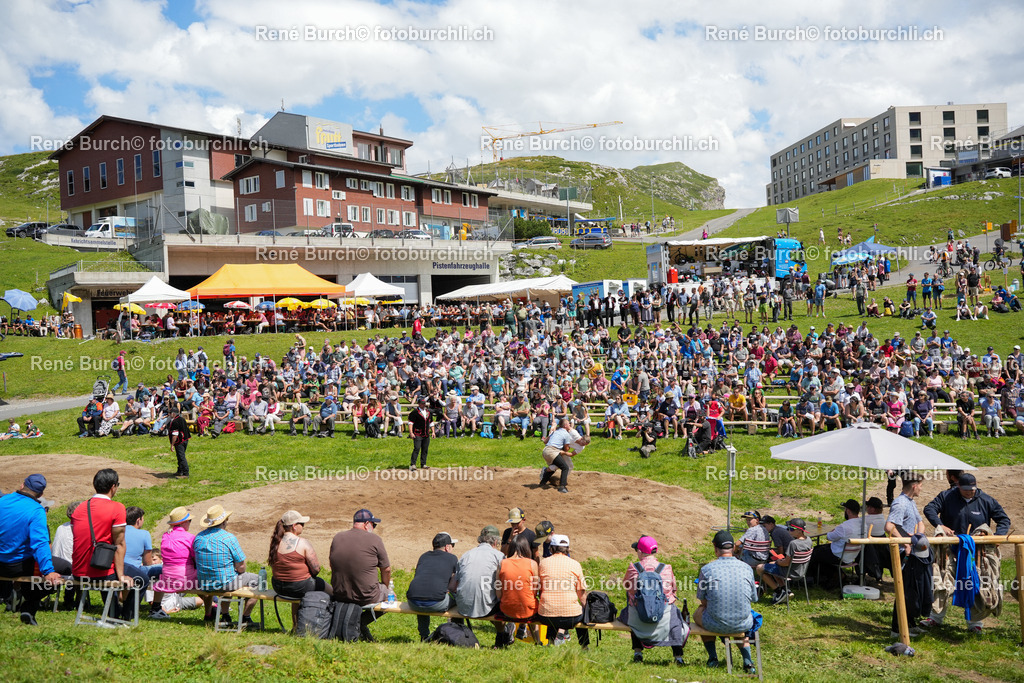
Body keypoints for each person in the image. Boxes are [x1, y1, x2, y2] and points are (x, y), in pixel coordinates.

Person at [921, 472, 1010, 633]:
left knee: (977, 582)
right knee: (942, 579)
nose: (970, 492)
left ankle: (975, 622)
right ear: (959, 486)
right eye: (966, 489)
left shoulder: (986, 500)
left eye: (973, 489)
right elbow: (930, 508)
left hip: (976, 553)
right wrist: (940, 525)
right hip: (950, 549)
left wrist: (997, 536)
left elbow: (1003, 519)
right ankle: (935, 617)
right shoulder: (947, 496)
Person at [0, 475, 62, 625]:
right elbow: (40, 543)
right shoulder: (36, 510)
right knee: (43, 576)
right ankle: (29, 608)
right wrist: (48, 571)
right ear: (40, 495)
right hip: (18, 567)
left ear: (22, 485)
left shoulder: (2, 502)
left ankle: (14, 600)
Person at [694, 530, 757, 674]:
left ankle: (712, 658)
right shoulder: (747, 568)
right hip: (743, 622)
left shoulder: (706, 569)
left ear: (715, 549)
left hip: (715, 623)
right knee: (741, 621)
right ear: (733, 548)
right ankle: (748, 661)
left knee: (699, 613)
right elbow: (754, 598)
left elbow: (702, 599)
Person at [70, 469, 129, 620]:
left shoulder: (79, 508)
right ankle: (126, 616)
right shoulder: (117, 508)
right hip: (101, 572)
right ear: (113, 486)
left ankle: (114, 612)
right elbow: (120, 544)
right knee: (142, 577)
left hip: (78, 571)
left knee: (107, 568)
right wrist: (121, 576)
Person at [621, 536, 686, 666]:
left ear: (640, 551)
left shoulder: (634, 568)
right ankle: (678, 656)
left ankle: (638, 652)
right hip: (664, 620)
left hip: (638, 621)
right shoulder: (666, 568)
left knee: (634, 605)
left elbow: (626, 586)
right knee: (674, 616)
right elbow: (674, 590)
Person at [329, 509, 390, 642]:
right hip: (365, 596)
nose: (373, 528)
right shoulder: (375, 539)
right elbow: (386, 569)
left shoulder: (338, 537)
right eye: (373, 525)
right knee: (390, 597)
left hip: (340, 593)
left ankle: (352, 622)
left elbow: (332, 564)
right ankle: (360, 622)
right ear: (367, 523)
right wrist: (385, 587)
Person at [193, 504, 259, 628]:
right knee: (257, 580)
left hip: (205, 582)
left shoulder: (198, 537)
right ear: (224, 521)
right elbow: (241, 567)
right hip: (224, 582)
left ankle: (225, 615)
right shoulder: (228, 538)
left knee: (226, 578)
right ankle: (245, 617)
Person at [885, 473, 930, 638]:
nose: (921, 488)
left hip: (914, 553)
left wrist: (917, 537)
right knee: (903, 592)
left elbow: (920, 523)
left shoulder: (910, 502)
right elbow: (889, 526)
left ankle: (910, 625)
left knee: (912, 592)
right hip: (904, 555)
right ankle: (897, 630)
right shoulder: (900, 503)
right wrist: (905, 543)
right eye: (921, 485)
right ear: (914, 485)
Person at [269, 509, 330, 627]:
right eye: (302, 524)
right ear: (294, 526)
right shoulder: (303, 543)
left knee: (296, 585)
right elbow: (316, 569)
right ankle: (326, 624)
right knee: (326, 588)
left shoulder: (275, 542)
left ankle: (296, 625)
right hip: (299, 588)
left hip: (278, 587)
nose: (303, 526)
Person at [151, 507, 212, 621]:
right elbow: (196, 557)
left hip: (168, 578)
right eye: (189, 521)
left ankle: (155, 608)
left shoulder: (165, 536)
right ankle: (209, 612)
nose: (190, 523)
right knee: (204, 583)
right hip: (185, 578)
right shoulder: (190, 538)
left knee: (161, 583)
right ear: (184, 522)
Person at [453, 525, 505, 644]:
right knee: (501, 601)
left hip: (463, 606)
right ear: (496, 541)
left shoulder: (466, 554)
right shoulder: (499, 556)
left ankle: (458, 631)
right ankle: (501, 637)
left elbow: (457, 580)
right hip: (486, 608)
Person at [537, 534, 589, 648]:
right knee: (579, 611)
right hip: (571, 617)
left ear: (551, 548)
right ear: (567, 548)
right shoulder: (575, 564)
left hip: (546, 616)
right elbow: (581, 593)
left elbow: (540, 590)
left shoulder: (543, 563)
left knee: (552, 608)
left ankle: (550, 641)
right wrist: (587, 610)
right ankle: (584, 646)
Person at [406, 532, 459, 642]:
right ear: (447, 547)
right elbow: (455, 582)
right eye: (452, 546)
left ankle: (424, 636)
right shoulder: (452, 558)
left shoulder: (423, 556)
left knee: (423, 595)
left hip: (413, 602)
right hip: (437, 604)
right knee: (458, 597)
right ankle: (457, 633)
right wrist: (448, 589)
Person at [496, 533, 541, 646]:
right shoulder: (532, 564)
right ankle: (538, 641)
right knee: (531, 603)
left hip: (507, 610)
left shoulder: (502, 563)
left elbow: (498, 594)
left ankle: (502, 636)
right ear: (526, 548)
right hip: (528, 611)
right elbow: (535, 591)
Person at [809, 499, 867, 585]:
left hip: (839, 555)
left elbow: (829, 537)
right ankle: (835, 574)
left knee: (815, 552)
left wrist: (833, 530)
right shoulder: (864, 525)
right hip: (853, 555)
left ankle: (815, 577)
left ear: (848, 511)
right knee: (820, 550)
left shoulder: (844, 527)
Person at [123, 506, 166, 619]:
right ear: (138, 520)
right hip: (136, 570)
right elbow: (147, 562)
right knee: (164, 569)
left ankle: (122, 600)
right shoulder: (144, 534)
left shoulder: (118, 531)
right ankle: (156, 607)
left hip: (118, 568)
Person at [756, 519, 812, 605]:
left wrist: (777, 562)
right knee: (772, 566)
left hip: (790, 572)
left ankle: (779, 592)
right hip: (801, 571)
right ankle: (785, 589)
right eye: (788, 528)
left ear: (800, 531)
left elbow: (786, 563)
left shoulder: (793, 544)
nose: (789, 530)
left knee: (760, 568)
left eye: (792, 529)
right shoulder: (809, 540)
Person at [409, 396, 433, 471]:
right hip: (418, 433)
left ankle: (423, 463)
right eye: (422, 403)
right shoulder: (415, 412)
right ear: (419, 404)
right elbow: (410, 423)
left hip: (426, 433)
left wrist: (433, 432)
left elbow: (431, 422)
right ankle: (413, 464)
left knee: (425, 449)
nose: (423, 405)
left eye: (424, 403)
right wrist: (411, 433)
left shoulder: (428, 412)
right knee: (417, 448)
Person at [168, 408, 190, 477]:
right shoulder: (182, 419)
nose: (169, 414)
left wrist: (172, 445)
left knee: (181, 457)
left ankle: (186, 473)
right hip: (185, 440)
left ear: (173, 413)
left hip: (180, 441)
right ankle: (180, 470)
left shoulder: (175, 421)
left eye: (170, 413)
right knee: (179, 456)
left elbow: (175, 435)